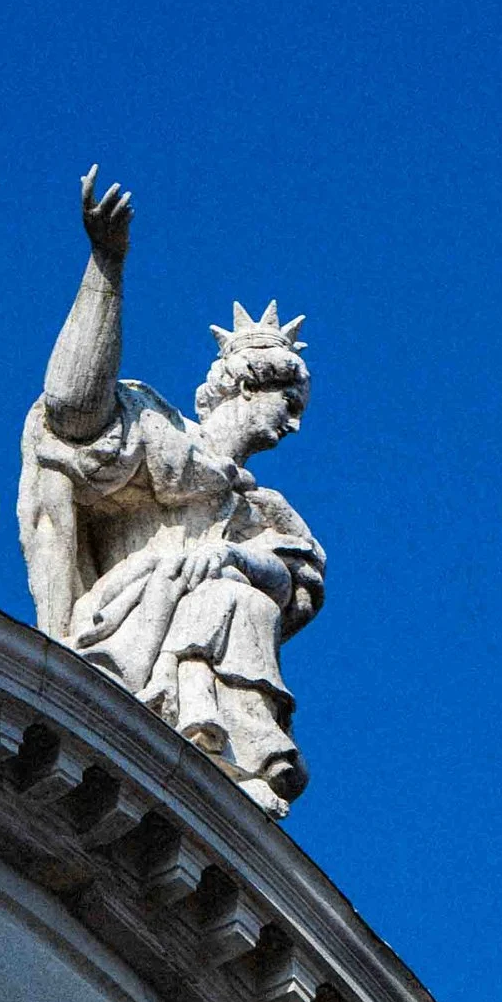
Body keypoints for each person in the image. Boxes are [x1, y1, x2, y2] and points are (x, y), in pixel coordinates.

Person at [21, 174, 324, 815]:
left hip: (203, 614)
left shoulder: (255, 511)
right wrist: (107, 265)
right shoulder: (155, 431)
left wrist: (236, 558)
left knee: (235, 597)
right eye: (287, 401)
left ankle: (218, 748)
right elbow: (70, 408)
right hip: (125, 618)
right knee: (225, 598)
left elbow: (296, 583)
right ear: (247, 384)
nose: (293, 423)